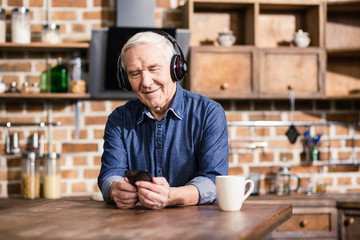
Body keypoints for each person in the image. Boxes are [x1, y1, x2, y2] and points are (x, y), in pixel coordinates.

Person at [98, 31, 229, 210]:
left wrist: (173, 196)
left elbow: (214, 179)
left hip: (198, 227)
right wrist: (114, 189)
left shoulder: (209, 113)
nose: (145, 82)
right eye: (135, 73)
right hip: (135, 228)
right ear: (125, 79)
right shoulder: (119, 119)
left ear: (175, 68)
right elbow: (110, 173)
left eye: (153, 69)